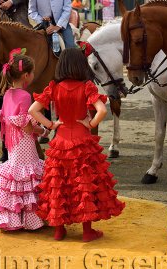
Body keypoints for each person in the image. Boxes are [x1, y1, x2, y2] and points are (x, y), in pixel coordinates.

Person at [28, 48, 125, 242]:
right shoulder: (87, 87)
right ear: (81, 65)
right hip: (82, 139)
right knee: (84, 186)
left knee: (59, 185)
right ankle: (87, 231)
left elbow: (33, 110)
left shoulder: (54, 87)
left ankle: (59, 230)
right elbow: (102, 110)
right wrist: (90, 124)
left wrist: (51, 125)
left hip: (60, 139)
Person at [0, 49, 47, 230]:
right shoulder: (25, 96)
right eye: (33, 72)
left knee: (15, 179)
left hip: (12, 144)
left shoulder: (7, 94)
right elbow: (27, 127)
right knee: (27, 178)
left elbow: (9, 121)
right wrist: (42, 131)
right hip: (25, 143)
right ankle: (29, 219)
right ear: (26, 75)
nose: (34, 75)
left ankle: (12, 217)